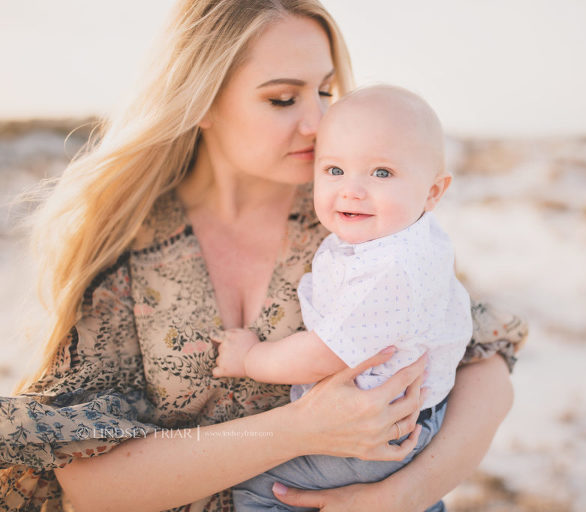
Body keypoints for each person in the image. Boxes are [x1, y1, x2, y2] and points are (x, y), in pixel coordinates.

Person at [0, 1, 527, 511]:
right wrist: (296, 430)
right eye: (282, 99)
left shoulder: (352, 218)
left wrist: (399, 498)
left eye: (324, 91)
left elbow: (486, 363)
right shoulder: (126, 241)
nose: (317, 122)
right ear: (201, 99)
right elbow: (94, 488)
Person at [212, 85, 472, 511]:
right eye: (334, 170)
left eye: (381, 173)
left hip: (377, 430)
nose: (352, 190)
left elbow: (325, 353)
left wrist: (249, 359)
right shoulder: (408, 233)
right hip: (411, 417)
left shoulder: (389, 270)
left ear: (432, 193)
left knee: (258, 490)